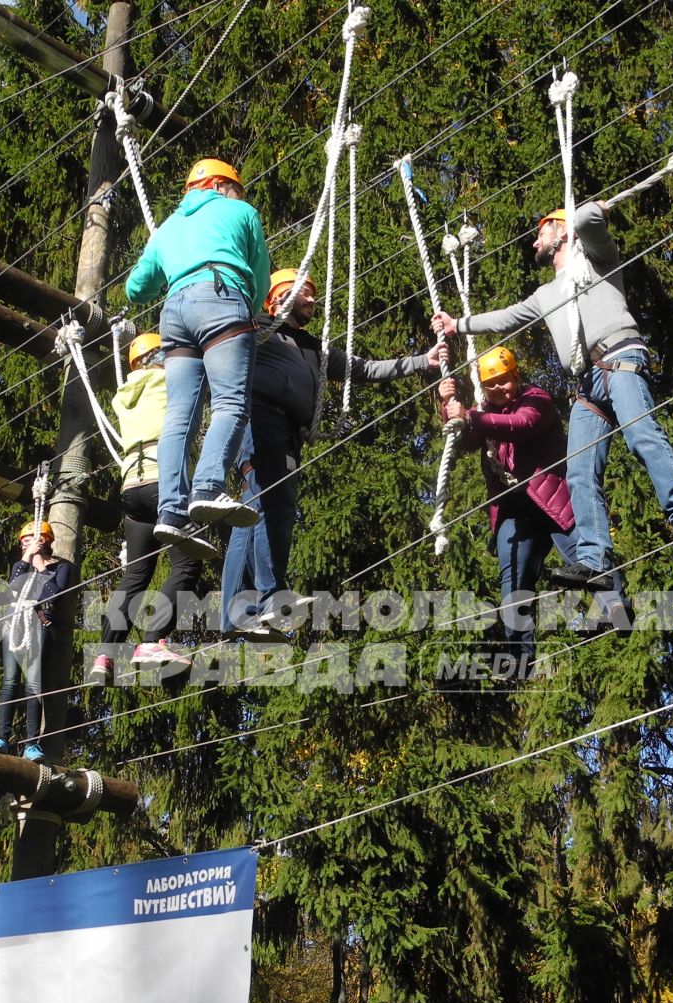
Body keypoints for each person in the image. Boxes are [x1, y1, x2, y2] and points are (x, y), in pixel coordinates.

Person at [433, 203, 673, 588]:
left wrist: (586, 212)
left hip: (619, 360)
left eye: (542, 231)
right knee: (578, 472)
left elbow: (588, 222)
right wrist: (457, 324)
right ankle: (594, 560)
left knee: (641, 434)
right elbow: (507, 317)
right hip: (586, 385)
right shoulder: (547, 294)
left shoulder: (598, 263)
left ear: (562, 230)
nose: (534, 242)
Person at [222, 269, 447, 636]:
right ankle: (264, 600)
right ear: (279, 297)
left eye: (313, 293)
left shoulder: (314, 349)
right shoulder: (256, 329)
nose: (313, 300)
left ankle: (242, 612)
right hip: (258, 421)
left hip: (287, 433)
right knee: (267, 508)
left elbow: (366, 368)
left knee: (264, 510)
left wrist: (424, 361)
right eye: (305, 293)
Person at [124, 158, 271, 555]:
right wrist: (249, 313)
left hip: (173, 312)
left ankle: (171, 511)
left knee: (179, 416)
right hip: (222, 297)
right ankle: (208, 486)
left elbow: (136, 289)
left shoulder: (168, 227)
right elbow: (260, 274)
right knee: (230, 402)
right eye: (236, 190)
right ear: (222, 186)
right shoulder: (241, 212)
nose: (239, 197)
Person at [437, 346, 596, 668]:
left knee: (585, 556)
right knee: (513, 574)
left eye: (504, 381)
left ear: (516, 377)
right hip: (514, 507)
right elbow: (466, 440)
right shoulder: (483, 413)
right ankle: (519, 653)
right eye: (490, 384)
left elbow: (521, 425)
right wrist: (449, 406)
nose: (498, 388)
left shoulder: (537, 399)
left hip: (552, 499)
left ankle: (616, 609)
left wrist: (471, 416)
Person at [93, 332, 202, 682]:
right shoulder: (167, 378)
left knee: (136, 575)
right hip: (164, 480)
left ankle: (106, 654)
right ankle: (153, 640)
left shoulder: (123, 397)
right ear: (156, 357)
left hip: (132, 486)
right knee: (188, 563)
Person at [0, 521, 72, 762]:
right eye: (25, 541)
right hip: (14, 622)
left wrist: (39, 565)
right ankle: (1, 737)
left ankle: (31, 744)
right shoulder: (18, 566)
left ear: (46, 540)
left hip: (39, 625)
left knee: (33, 683)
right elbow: (12, 590)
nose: (30, 543)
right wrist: (26, 561)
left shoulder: (61, 567)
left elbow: (53, 592)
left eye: (35, 539)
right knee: (10, 681)